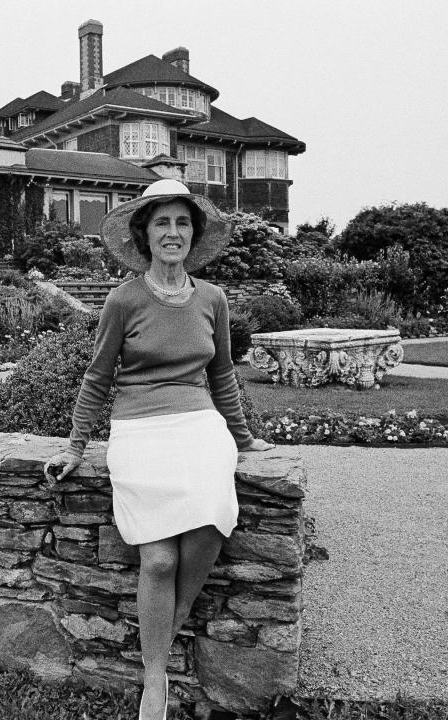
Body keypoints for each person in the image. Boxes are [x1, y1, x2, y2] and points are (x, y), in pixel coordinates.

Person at [45, 179, 275, 718]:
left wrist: (242, 439)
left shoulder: (213, 298)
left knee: (210, 525)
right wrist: (76, 447)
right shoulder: (124, 299)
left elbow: (222, 375)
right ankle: (155, 680)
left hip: (200, 426)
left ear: (193, 234)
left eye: (182, 223)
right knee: (159, 557)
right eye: (161, 223)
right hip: (139, 430)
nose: (172, 233)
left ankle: (159, 645)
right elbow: (98, 377)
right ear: (144, 235)